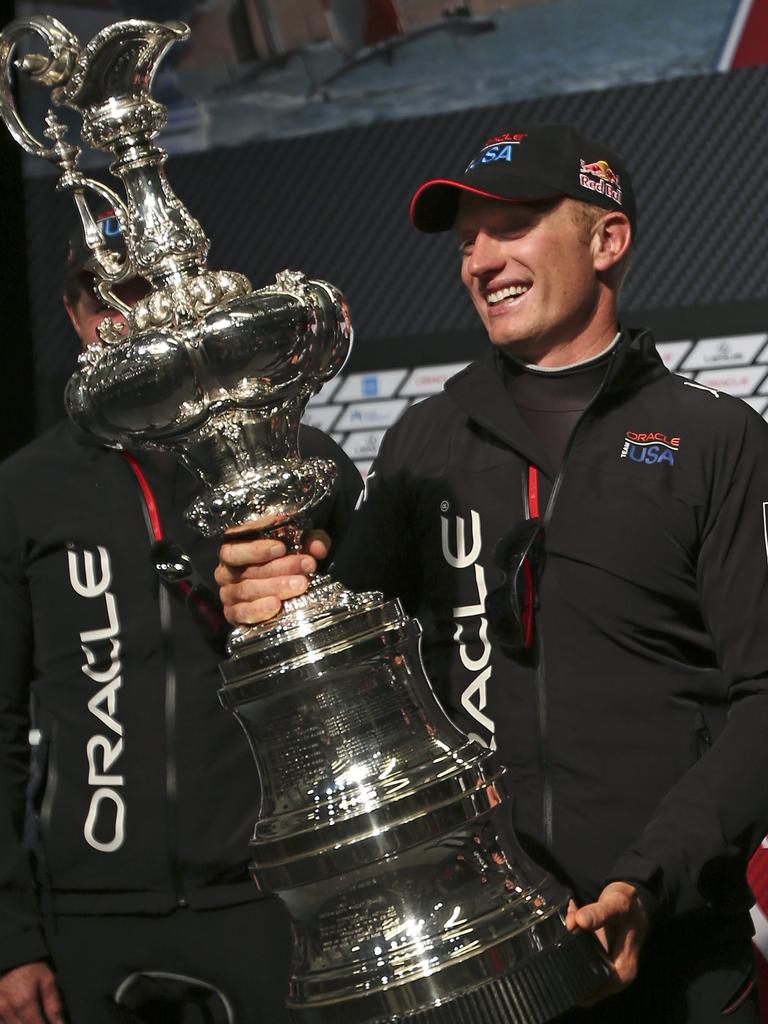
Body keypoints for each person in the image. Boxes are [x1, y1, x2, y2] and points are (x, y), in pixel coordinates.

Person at [215, 123, 768, 1022]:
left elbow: (764, 695)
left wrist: (646, 880)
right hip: (481, 960)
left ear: (607, 239)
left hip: (676, 948)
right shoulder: (423, 442)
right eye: (466, 239)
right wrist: (263, 594)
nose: (479, 259)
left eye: (510, 225)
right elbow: (352, 674)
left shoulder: (716, 438)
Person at [0, 209, 363, 1024]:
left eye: (140, 292)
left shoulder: (283, 463)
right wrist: (10, 936)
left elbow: (340, 520)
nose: (120, 318)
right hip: (88, 914)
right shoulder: (23, 491)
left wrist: (312, 516)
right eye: (98, 298)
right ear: (71, 314)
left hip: (268, 896)